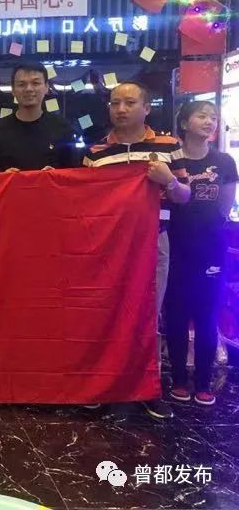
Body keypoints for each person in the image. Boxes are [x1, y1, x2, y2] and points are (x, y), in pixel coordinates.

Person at [84, 80, 191, 420]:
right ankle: (103, 384)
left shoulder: (169, 145)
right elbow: (84, 201)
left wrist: (168, 180)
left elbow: (184, 195)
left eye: (130, 103)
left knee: (147, 315)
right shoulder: (96, 152)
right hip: (108, 246)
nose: (121, 109)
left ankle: (147, 388)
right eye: (115, 103)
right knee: (106, 313)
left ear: (146, 108)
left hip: (153, 240)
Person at [166, 101, 237, 406]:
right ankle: (179, 380)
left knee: (207, 315)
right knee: (176, 315)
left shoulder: (224, 162)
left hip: (211, 247)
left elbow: (224, 207)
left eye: (213, 117)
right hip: (174, 245)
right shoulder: (170, 160)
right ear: (184, 123)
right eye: (202, 116)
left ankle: (204, 382)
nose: (210, 121)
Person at [0, 63, 78, 173]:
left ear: (46, 87)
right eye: (21, 84)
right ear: (13, 90)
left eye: (35, 83)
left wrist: (56, 175)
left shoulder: (62, 128)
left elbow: (75, 174)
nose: (29, 89)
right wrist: (2, 177)